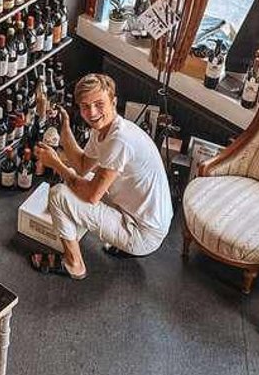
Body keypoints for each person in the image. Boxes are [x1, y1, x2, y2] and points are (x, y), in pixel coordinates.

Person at [30, 73, 173, 279]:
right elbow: (82, 166)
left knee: (59, 194)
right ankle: (114, 240)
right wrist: (65, 128)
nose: (92, 113)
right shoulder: (105, 129)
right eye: (85, 106)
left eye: (99, 104)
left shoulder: (119, 140)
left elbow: (92, 196)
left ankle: (74, 265)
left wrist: (56, 164)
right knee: (76, 181)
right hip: (144, 215)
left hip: (143, 233)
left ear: (113, 102)